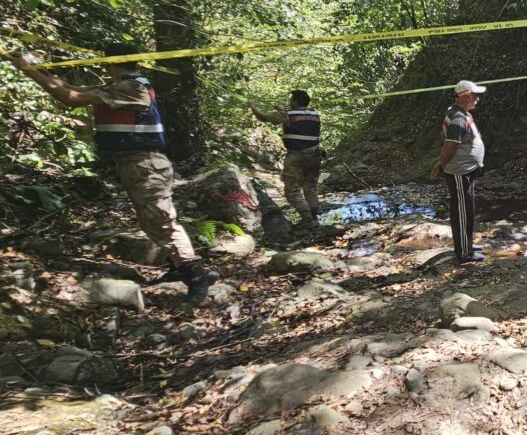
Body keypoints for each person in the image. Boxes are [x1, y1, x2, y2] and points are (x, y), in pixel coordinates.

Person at [3, 44, 219, 304]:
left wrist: (27, 70)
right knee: (150, 219)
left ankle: (196, 275)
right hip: (136, 163)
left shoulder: (132, 88)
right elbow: (71, 89)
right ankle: (179, 266)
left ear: (110, 62)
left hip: (145, 164)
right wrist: (33, 64)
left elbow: (69, 98)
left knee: (161, 219)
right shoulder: (122, 85)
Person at [250, 90, 322, 230]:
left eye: (291, 100)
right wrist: (282, 110)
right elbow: (297, 117)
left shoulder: (287, 115)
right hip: (315, 155)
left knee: (292, 190)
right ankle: (314, 218)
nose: (290, 102)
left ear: (295, 101)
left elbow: (263, 117)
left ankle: (307, 220)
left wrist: (253, 107)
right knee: (310, 187)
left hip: (296, 156)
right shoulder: (314, 114)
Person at [432, 81, 487, 263]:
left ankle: (468, 243)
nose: (477, 99)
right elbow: (450, 146)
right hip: (459, 172)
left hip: (466, 170)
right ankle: (464, 252)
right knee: (462, 211)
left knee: (467, 209)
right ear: (465, 97)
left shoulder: (462, 114)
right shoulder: (458, 118)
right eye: (475, 96)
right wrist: (441, 165)